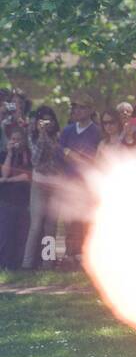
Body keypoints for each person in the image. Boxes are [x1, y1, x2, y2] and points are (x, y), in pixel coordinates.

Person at [58, 93, 101, 265]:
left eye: (82, 107)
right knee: (70, 221)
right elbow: (59, 151)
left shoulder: (96, 131)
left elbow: (95, 157)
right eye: (75, 107)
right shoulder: (68, 130)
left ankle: (87, 257)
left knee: (86, 221)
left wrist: (76, 156)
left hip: (87, 183)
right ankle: (71, 256)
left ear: (90, 110)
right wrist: (67, 153)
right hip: (69, 181)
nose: (78, 110)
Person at [23, 106, 62, 270]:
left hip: (56, 185)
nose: (47, 123)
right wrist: (41, 135)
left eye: (50, 119)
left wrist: (46, 136)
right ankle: (27, 264)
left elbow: (55, 155)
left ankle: (48, 264)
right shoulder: (32, 136)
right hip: (39, 185)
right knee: (36, 225)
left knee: (51, 226)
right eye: (43, 119)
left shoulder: (60, 137)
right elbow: (37, 160)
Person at [0, 119, 33, 268]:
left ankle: (17, 263)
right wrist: (10, 154)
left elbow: (27, 175)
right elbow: (4, 173)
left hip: (23, 200)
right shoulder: (5, 154)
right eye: (13, 139)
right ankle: (4, 263)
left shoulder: (29, 154)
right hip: (7, 200)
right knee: (6, 233)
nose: (15, 142)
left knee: (21, 233)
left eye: (18, 139)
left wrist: (7, 181)